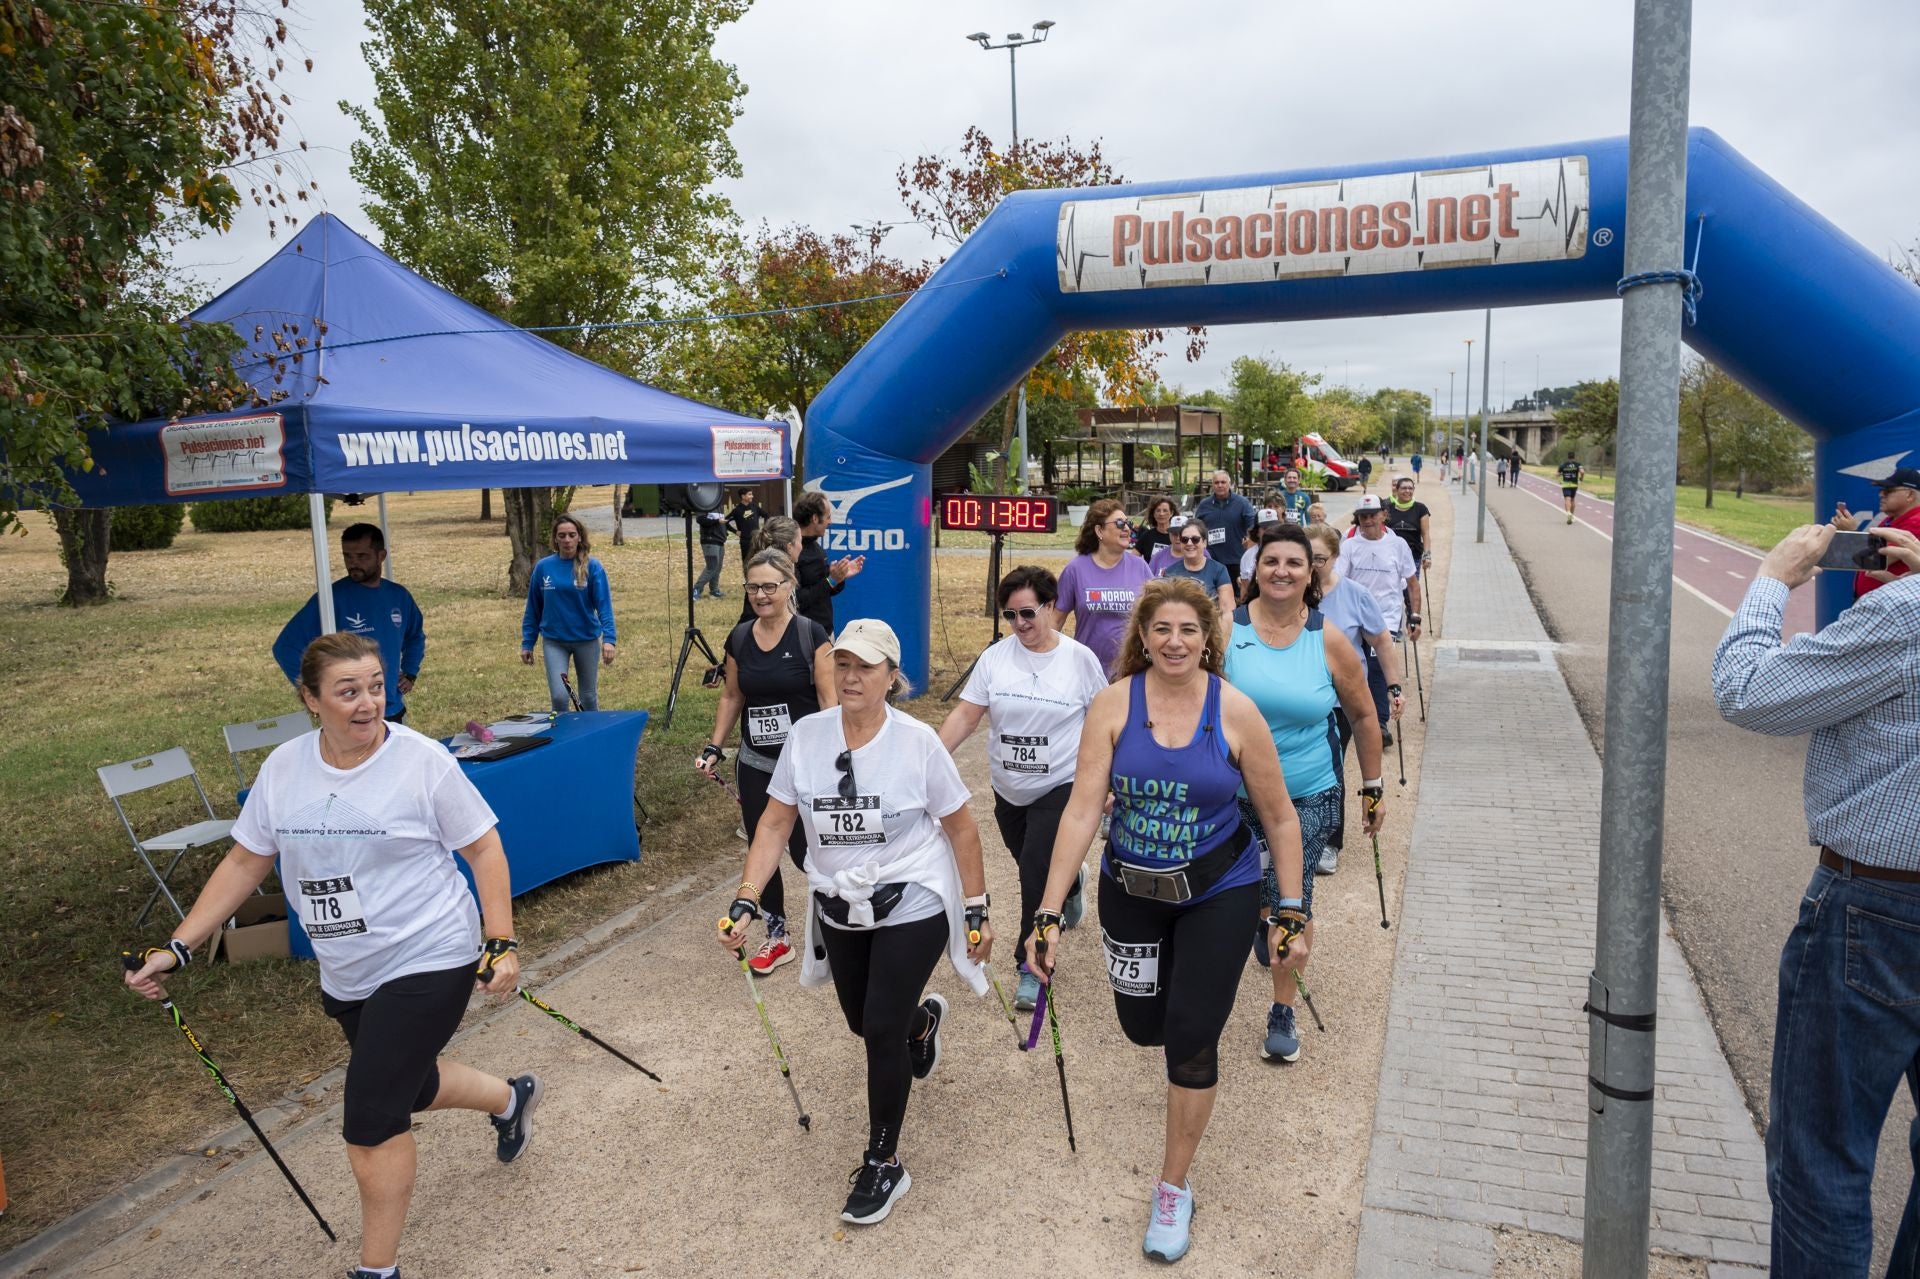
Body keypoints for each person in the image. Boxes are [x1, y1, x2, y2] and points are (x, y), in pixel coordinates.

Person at [125, 632, 535, 1279]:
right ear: (311, 698)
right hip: (348, 967)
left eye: (376, 685)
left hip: (430, 952)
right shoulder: (284, 769)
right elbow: (245, 858)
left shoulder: (421, 762)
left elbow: (484, 847)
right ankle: (512, 1099)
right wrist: (178, 945)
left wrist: (500, 940)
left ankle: (378, 1270)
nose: (369, 702)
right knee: (413, 1082)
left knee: (372, 1114)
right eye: (349, 691)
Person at [1025, 577, 1306, 1264]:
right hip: (1131, 890)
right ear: (1142, 637)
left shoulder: (1236, 710)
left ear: (1207, 636)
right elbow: (1085, 809)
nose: (1175, 642)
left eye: (1188, 630)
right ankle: (1176, 1018)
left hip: (1219, 890)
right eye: (1162, 630)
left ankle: (1173, 1187)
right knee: (1141, 1025)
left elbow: (1279, 816)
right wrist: (1047, 909)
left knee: (1189, 1037)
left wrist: (1291, 909)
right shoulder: (1114, 704)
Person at [717, 619, 993, 1227]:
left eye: (866, 667)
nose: (851, 676)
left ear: (893, 677)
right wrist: (747, 896)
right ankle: (922, 1026)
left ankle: (883, 1161)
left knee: (878, 1026)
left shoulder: (918, 743)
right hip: (838, 899)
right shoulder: (807, 738)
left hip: (912, 893)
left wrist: (975, 908)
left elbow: (961, 828)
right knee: (859, 1018)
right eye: (842, 664)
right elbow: (773, 823)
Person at [1711, 522, 1920, 1276]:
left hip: (1880, 908)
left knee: (1823, 1161)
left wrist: (1774, 576)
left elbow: (1747, 691)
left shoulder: (1905, 614)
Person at [1227, 524, 1383, 1063]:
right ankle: (1261, 914)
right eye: (1271, 561)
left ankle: (1282, 1007)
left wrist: (1373, 787)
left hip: (1308, 793)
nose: (1282, 571)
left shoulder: (1329, 638)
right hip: (1234, 794)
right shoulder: (1225, 632)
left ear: (1310, 572)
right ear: (1254, 569)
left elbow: (1363, 714)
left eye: (1294, 563)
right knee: (1254, 894)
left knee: (1295, 898)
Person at [937, 565, 1106, 1009]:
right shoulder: (995, 658)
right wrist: (927, 760)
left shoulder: (1079, 660)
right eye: (1010, 616)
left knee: (1033, 870)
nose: (1020, 625)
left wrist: (1107, 780)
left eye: (1028, 613)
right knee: (1030, 860)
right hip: (1008, 789)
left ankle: (1030, 965)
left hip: (1061, 784)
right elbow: (967, 715)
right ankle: (1069, 884)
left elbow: (1106, 724)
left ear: (1051, 607)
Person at [698, 548, 834, 973]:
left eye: (769, 586)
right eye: (753, 587)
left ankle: (836, 925)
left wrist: (836, 760)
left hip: (806, 764)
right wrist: (714, 745)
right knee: (763, 848)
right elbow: (733, 695)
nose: (761, 594)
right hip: (757, 762)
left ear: (790, 586)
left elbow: (830, 705)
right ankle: (777, 935)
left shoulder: (813, 635)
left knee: (806, 850)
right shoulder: (739, 638)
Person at [1305, 522, 1404, 863]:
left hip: (1340, 700)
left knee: (1329, 765)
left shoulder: (1355, 595)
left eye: (1319, 558)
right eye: (1307, 557)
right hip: (1299, 696)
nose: (1312, 564)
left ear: (1335, 557)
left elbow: (1381, 643)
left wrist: (1394, 687)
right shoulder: (1291, 595)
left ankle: (1330, 841)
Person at [274, 523, 425, 724]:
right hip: (352, 716)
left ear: (381, 556)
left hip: (393, 709)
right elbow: (285, 647)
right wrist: (316, 692)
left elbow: (415, 635)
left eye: (362, 556)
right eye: (347, 556)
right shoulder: (331, 598)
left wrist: (410, 671)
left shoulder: (398, 596)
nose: (353, 563)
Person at [1336, 496, 1421, 744]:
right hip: (1354, 617)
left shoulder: (1398, 545)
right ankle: (1352, 716)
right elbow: (1339, 580)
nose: (1368, 520)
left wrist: (1414, 616)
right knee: (1352, 667)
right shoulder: (1349, 546)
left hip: (1386, 617)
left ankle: (1379, 724)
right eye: (1363, 515)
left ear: (1384, 514)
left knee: (1376, 667)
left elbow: (1412, 584)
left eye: (1373, 514)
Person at [519, 513, 616, 712]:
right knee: (559, 696)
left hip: (586, 639)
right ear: (555, 538)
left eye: (572, 535)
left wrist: (609, 639)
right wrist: (527, 642)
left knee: (588, 697)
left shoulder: (593, 567)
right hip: (555, 641)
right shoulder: (543, 567)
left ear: (579, 536)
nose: (567, 540)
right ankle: (564, 738)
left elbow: (604, 605)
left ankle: (591, 736)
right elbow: (533, 608)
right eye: (562, 536)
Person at [1053, 499, 1155, 675]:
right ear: (1099, 530)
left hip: (1132, 669)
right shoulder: (1075, 569)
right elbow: (1055, 620)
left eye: (1128, 523)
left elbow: (1156, 614)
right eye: (1119, 523)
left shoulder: (1140, 567)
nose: (1127, 528)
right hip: (1086, 670)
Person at [1832, 466, 1920, 598]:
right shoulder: (1890, 520)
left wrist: (1851, 532)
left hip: (1890, 605)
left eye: (1888, 491)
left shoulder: (1916, 522)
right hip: (1878, 600)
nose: (1881, 494)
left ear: (1910, 495)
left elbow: (1872, 560)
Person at [794, 491, 866, 635]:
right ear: (815, 518)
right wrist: (830, 580)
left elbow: (824, 589)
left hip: (824, 630)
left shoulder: (816, 547)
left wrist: (839, 576)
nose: (830, 522)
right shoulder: (792, 550)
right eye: (828, 517)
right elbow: (794, 599)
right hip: (802, 635)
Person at [1163, 519, 1236, 616]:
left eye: (1195, 539)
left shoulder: (1219, 570)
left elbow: (1228, 609)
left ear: (1204, 542)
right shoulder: (1170, 572)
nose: (1189, 543)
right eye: (1184, 540)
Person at [1192, 470, 1258, 574]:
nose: (1220, 485)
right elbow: (1196, 529)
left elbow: (1253, 525)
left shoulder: (1242, 503)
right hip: (1210, 559)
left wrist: (1249, 538)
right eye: (1216, 482)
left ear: (1230, 484)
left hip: (1236, 559)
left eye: (1223, 482)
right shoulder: (1204, 505)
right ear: (1212, 485)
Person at [1383, 476, 1434, 581]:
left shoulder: (1421, 509)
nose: (1407, 491)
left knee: (1411, 590)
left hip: (1413, 556)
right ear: (1397, 490)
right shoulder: (1387, 509)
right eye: (1404, 488)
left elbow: (1425, 534)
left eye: (1410, 488)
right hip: (1391, 556)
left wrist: (1427, 555)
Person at [692, 507, 730, 600]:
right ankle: (696, 590)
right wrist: (717, 521)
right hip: (710, 541)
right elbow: (700, 519)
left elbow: (722, 523)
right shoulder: (704, 505)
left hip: (720, 541)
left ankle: (714, 590)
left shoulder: (719, 507)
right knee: (712, 566)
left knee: (717, 567)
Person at [726, 487, 770, 561]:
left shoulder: (755, 507)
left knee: (759, 561)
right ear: (743, 496)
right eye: (749, 494)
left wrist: (764, 529)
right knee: (747, 562)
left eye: (752, 494)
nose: (752, 496)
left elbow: (766, 515)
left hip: (757, 539)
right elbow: (725, 521)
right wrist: (735, 531)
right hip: (745, 541)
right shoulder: (737, 510)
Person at [1134, 496, 1178, 564]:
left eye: (1165, 510)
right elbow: (1132, 559)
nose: (1161, 514)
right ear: (1153, 514)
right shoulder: (1147, 536)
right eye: (1158, 510)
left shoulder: (1178, 537)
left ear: (1171, 513)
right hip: (1151, 574)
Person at [1557, 457, 1584, 524]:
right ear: (1574, 457)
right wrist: (1581, 479)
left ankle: (1568, 513)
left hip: (1565, 484)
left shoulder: (1563, 465)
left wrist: (1562, 474)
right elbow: (1582, 472)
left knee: (1567, 499)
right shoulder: (1578, 464)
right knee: (1572, 499)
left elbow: (1557, 474)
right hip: (1574, 485)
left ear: (1568, 457)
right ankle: (1572, 516)